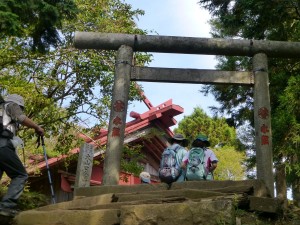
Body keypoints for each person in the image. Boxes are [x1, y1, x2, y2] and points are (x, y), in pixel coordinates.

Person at [0, 94, 44, 217]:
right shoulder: (11, 105)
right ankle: (6, 207)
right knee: (20, 175)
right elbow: (21, 118)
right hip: (2, 145)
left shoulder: (1, 109)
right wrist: (37, 127)